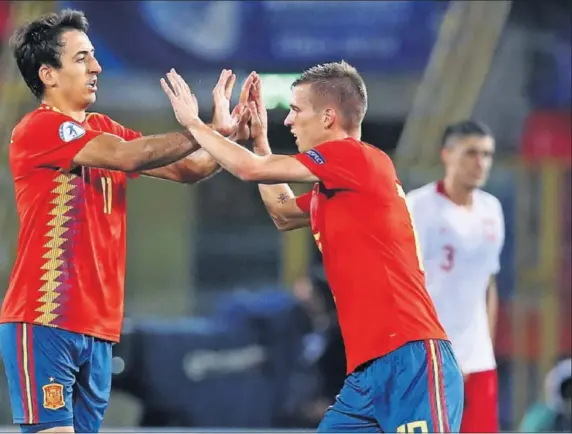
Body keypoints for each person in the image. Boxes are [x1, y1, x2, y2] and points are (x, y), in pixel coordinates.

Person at [160, 62, 464, 432]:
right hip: (367, 373)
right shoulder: (336, 189)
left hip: (411, 358)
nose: (288, 121)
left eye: (296, 110)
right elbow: (282, 213)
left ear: (328, 118)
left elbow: (251, 170)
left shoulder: (356, 156)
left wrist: (194, 124)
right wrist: (260, 142)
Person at [0, 9, 250, 433]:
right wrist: (201, 127)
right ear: (48, 74)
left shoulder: (102, 129)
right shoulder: (38, 130)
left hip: (99, 326)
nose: (96, 67)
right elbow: (129, 156)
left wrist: (223, 136)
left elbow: (188, 170)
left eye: (94, 56)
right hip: (46, 320)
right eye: (81, 59)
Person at [406, 121, 504, 432]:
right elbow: (404, 287)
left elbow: (488, 286)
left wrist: (483, 344)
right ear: (447, 155)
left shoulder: (492, 210)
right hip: (428, 362)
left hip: (479, 361)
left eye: (487, 155)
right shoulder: (418, 207)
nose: (481, 163)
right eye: (471, 153)